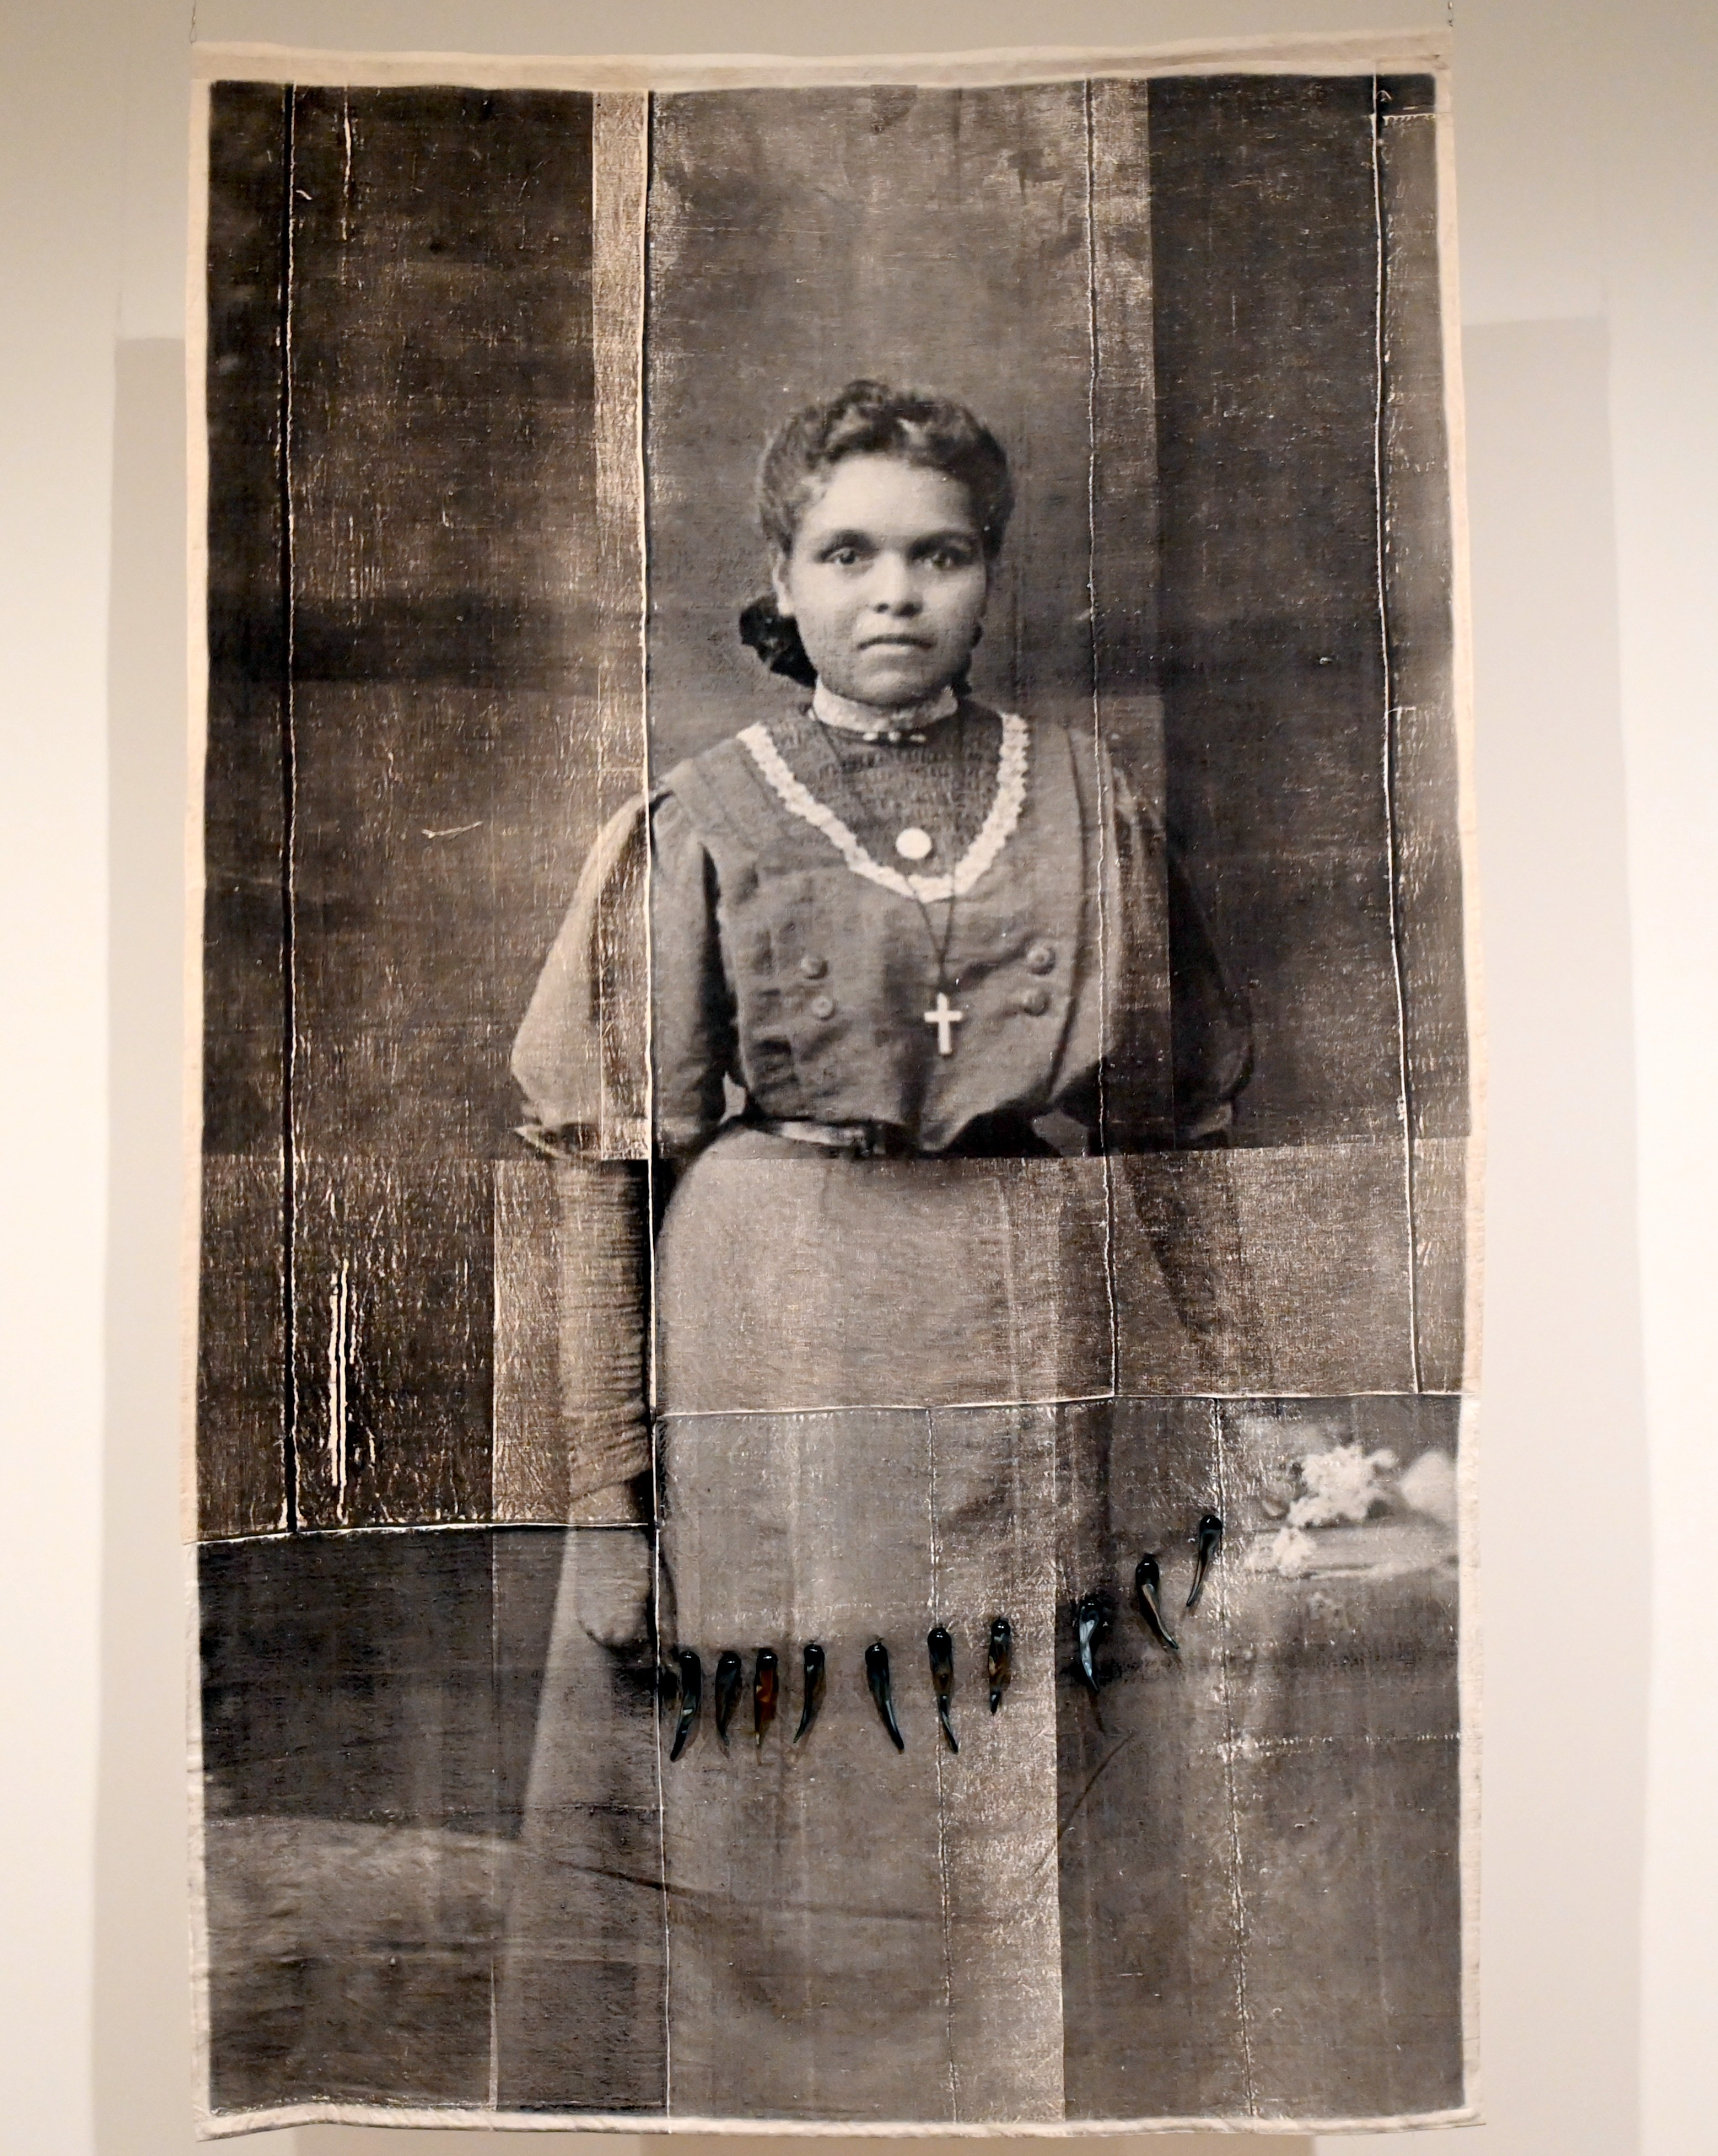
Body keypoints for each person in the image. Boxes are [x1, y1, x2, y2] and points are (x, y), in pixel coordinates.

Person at [497, 381, 1251, 2122]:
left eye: (939, 553)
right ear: (783, 576)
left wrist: (1224, 1420)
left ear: (989, 576)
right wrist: (609, 1496)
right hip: (781, 1332)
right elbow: (600, 1167)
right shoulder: (700, 814)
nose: (893, 592)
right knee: (795, 1760)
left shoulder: (1085, 801)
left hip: (1023, 1316)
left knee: (1025, 1747)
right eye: (846, 554)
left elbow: (1176, 1130)